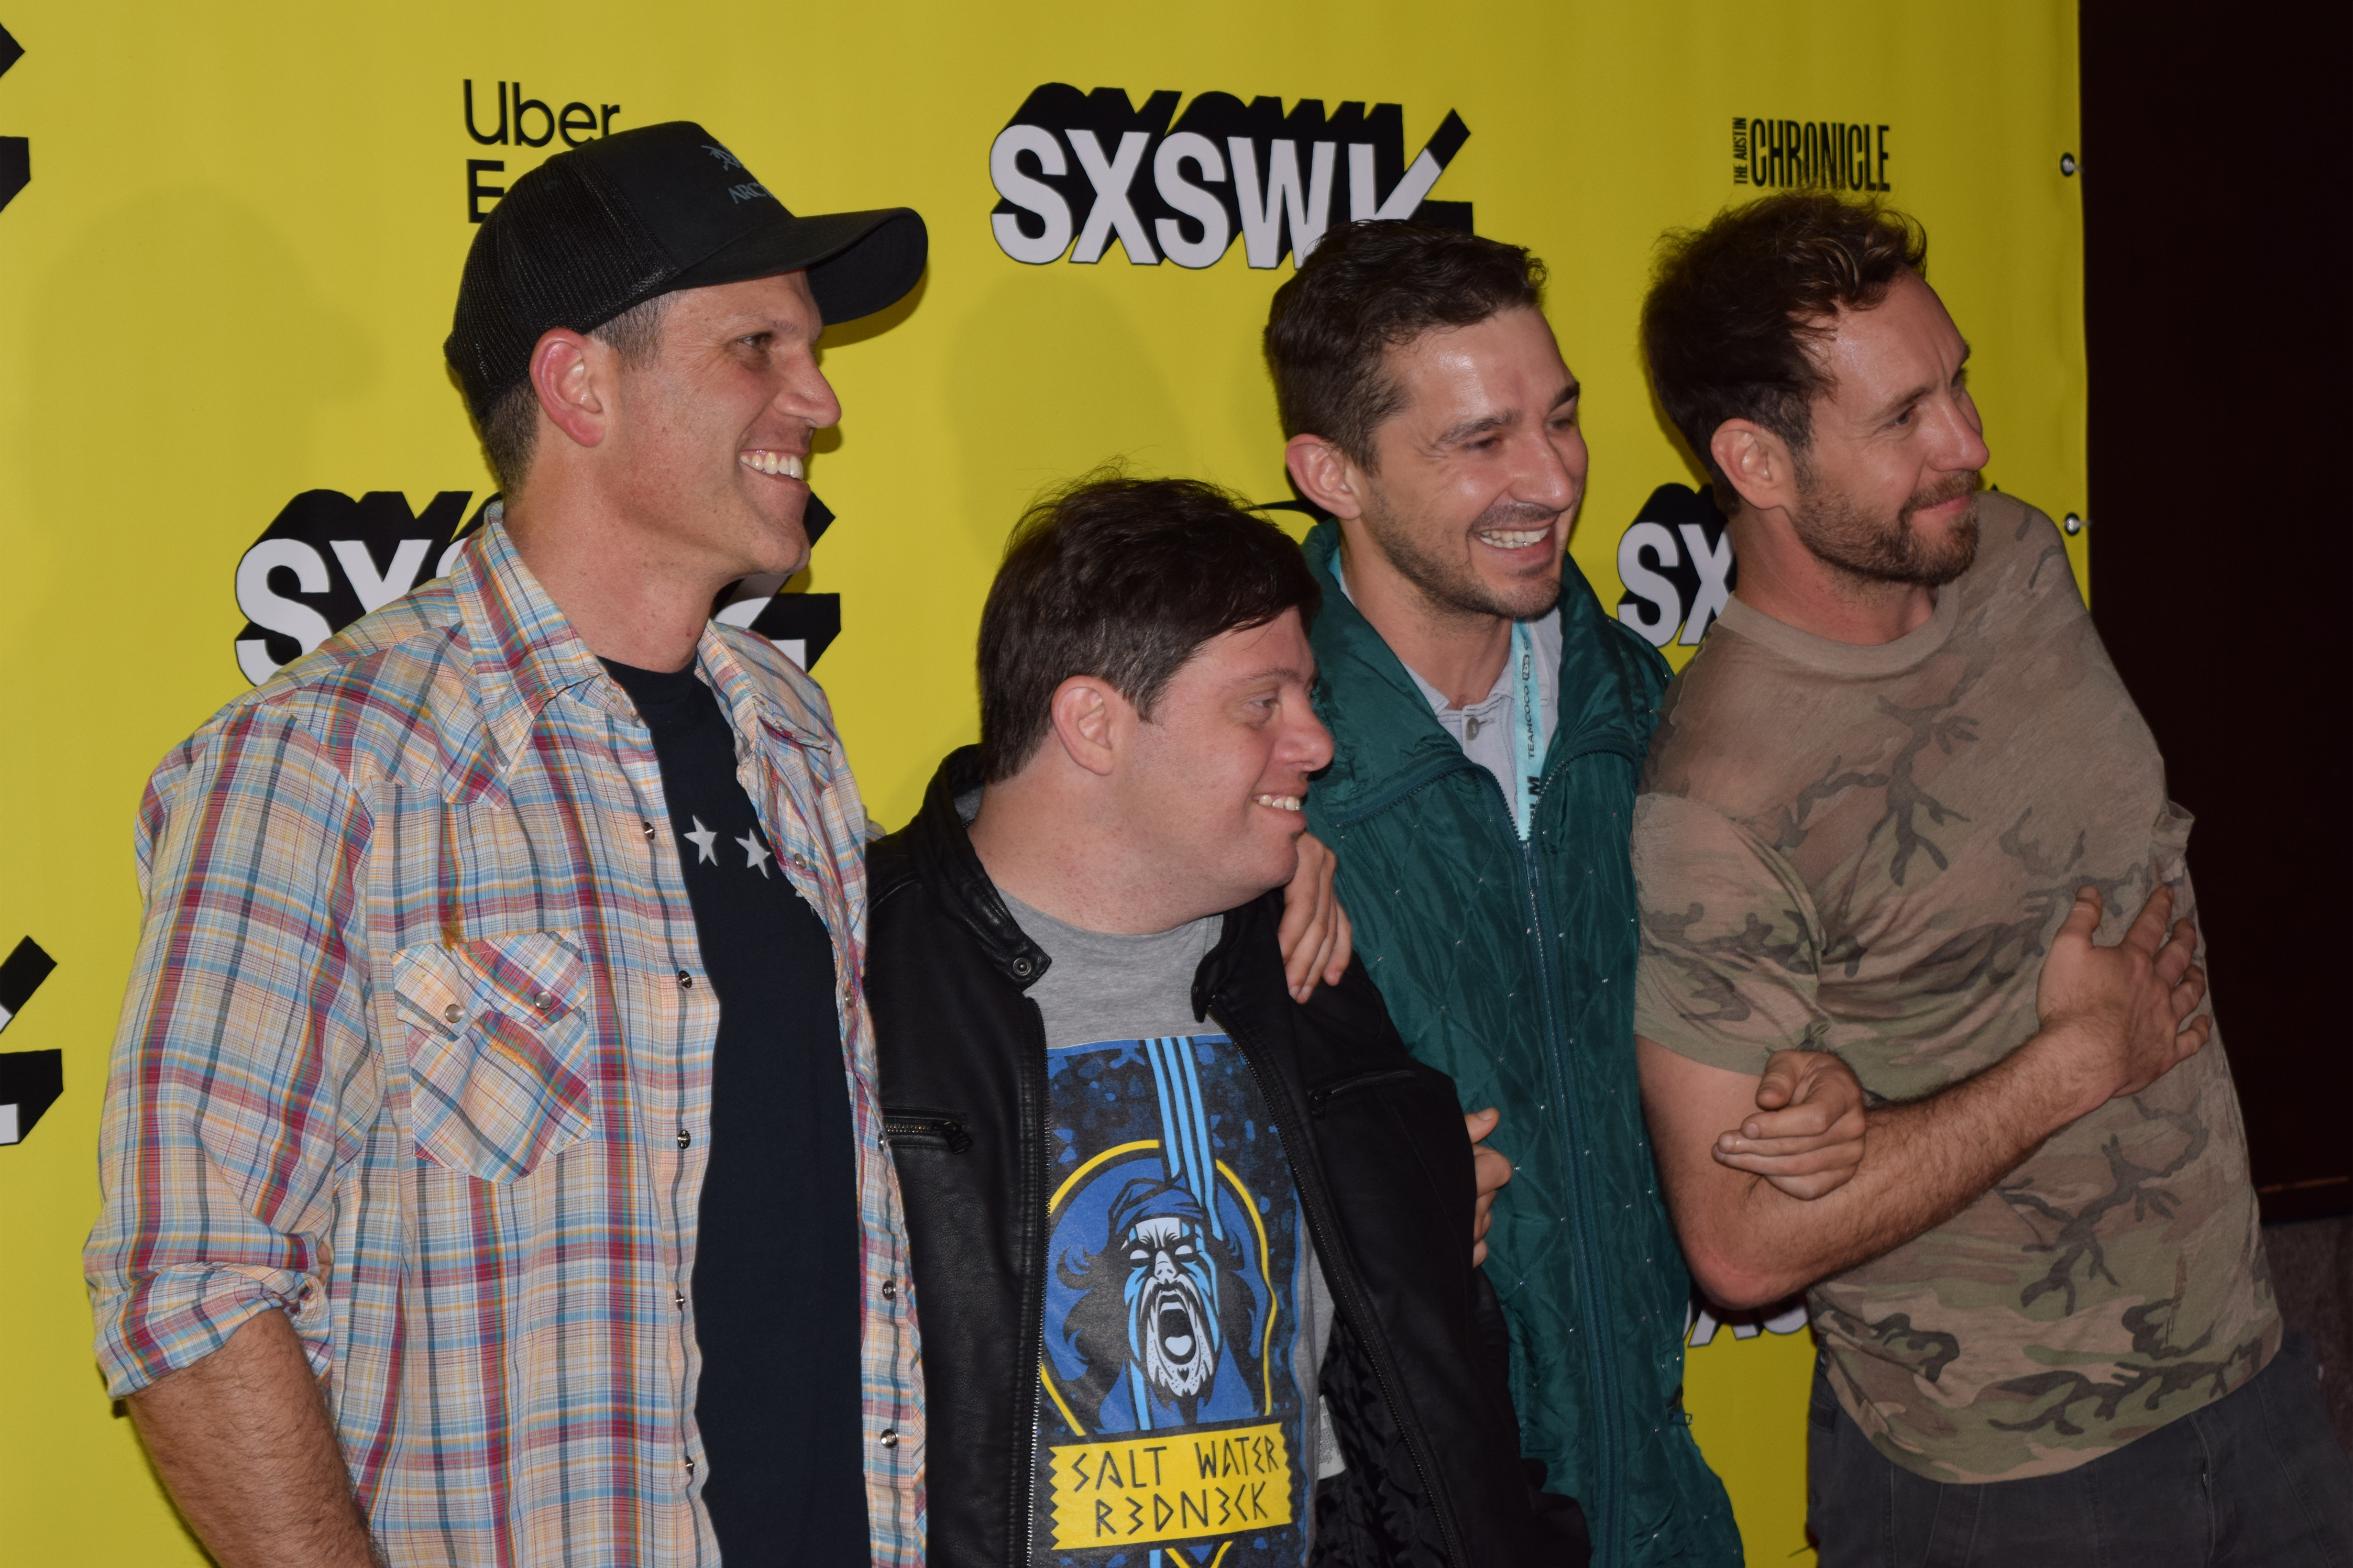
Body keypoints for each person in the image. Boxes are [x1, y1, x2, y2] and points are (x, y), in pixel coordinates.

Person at [83, 123, 936, 1566]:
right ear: (580, 384)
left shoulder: (789, 727)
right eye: (756, 349)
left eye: (809, 351)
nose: (820, 397)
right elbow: (191, 1284)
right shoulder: (324, 760)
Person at [1631, 191, 2353, 1562]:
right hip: (2003, 1482)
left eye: (1953, 382)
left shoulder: (2010, 552)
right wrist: (2071, 1064)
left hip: (2250, 1377)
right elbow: (1732, 1247)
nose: (1965, 441)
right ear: (1756, 461)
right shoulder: (1719, 798)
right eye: (1901, 418)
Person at [1264, 219, 1873, 1567]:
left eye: (1560, 418)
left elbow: (1770, 1053)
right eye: (1477, 441)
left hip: (1658, 1505)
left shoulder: (1659, 722)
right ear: (1330, 475)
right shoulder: (1247, 772)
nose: (1550, 476)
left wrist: (1820, 1090)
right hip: (1398, 1529)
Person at [865, 473, 1586, 1565]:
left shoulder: (1310, 967)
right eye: (1261, 704)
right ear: (1094, 722)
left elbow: (1435, 1408)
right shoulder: (853, 979)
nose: (1315, 745)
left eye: (1308, 700)